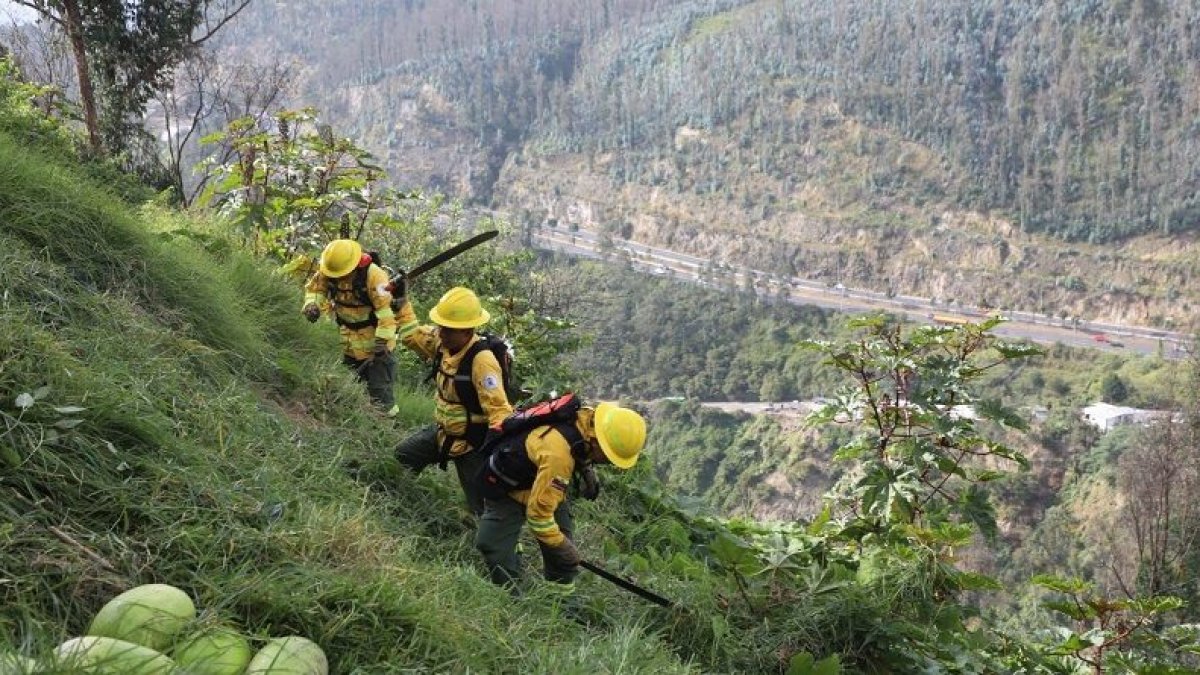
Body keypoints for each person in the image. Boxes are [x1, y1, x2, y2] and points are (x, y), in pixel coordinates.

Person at [474, 402, 646, 589]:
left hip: (542, 481)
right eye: (606, 457)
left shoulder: (587, 418)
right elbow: (539, 518)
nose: (607, 463)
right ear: (597, 443)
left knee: (562, 558)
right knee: (492, 545)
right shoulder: (558, 456)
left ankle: (560, 601)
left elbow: (575, 442)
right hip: (508, 487)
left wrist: (586, 467)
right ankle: (510, 597)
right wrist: (563, 547)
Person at [394, 286, 513, 515]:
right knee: (402, 457)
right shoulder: (443, 344)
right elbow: (412, 336)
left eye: (449, 329)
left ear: (467, 331)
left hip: (471, 444)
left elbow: (499, 410)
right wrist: (402, 305)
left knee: (483, 509)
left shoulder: (482, 361)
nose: (441, 333)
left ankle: (501, 546)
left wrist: (499, 450)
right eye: (441, 326)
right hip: (443, 433)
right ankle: (401, 507)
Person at [302, 239, 399, 417]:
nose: (338, 278)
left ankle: (387, 427)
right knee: (350, 387)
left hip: (378, 348)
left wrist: (382, 343)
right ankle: (355, 422)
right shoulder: (329, 271)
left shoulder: (374, 276)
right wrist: (312, 305)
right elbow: (315, 290)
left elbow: (387, 312)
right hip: (349, 344)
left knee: (380, 392)